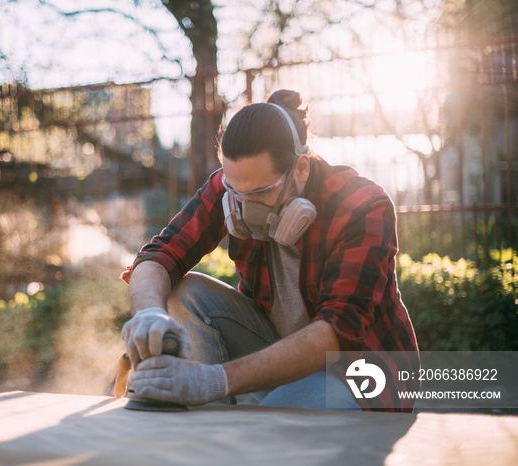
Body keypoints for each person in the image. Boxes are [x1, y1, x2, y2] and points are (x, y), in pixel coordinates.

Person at [120, 89, 419, 412]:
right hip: (278, 351)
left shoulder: (362, 206)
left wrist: (213, 379)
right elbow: (158, 256)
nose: (243, 206)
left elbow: (336, 333)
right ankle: (199, 419)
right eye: (235, 191)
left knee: (268, 428)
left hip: (360, 371)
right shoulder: (234, 187)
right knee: (186, 291)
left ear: (301, 169)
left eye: (260, 193)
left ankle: (214, 401)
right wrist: (149, 313)